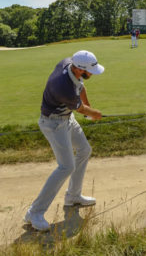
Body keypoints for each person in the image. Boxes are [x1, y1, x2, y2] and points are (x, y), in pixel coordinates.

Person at [24, 50, 105, 231]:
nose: (92, 74)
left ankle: (73, 196)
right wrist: (95, 113)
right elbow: (81, 109)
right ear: (78, 69)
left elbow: (81, 88)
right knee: (66, 166)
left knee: (84, 150)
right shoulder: (63, 87)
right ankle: (34, 212)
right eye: (90, 71)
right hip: (53, 124)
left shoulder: (70, 63)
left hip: (66, 118)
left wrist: (89, 107)